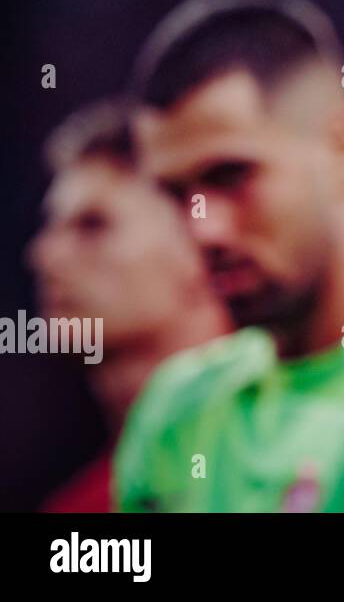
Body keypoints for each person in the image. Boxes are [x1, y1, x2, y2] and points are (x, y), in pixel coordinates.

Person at [115, 0, 344, 511]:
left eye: (231, 175)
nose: (204, 229)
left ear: (342, 144)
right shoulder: (173, 414)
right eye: (176, 194)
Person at [28, 100, 230, 512]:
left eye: (94, 224)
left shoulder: (309, 453)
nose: (44, 256)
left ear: (197, 241)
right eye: (51, 226)